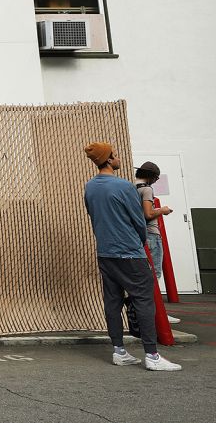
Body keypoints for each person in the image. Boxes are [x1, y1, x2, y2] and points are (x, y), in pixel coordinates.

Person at [82, 143, 181, 371]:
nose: (118, 158)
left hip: (105, 252)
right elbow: (139, 220)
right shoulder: (124, 186)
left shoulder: (90, 187)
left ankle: (119, 351)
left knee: (112, 301)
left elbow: (92, 214)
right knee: (144, 299)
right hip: (129, 251)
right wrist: (140, 241)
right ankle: (152, 355)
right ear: (108, 160)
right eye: (114, 155)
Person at [135, 161, 180, 324]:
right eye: (155, 178)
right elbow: (148, 213)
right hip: (152, 235)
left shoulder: (132, 189)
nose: (155, 181)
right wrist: (163, 210)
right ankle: (158, 314)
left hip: (139, 235)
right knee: (154, 275)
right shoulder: (147, 189)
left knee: (144, 275)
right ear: (151, 177)